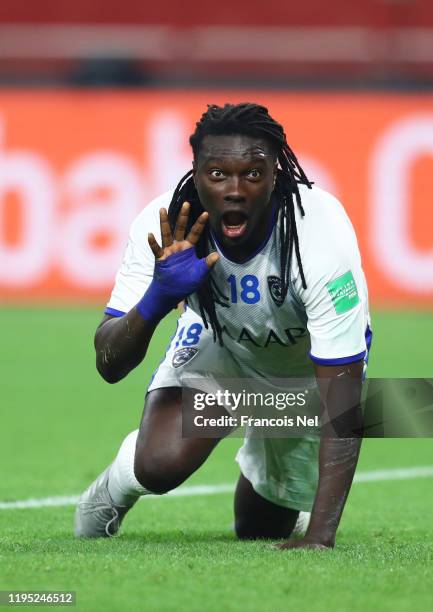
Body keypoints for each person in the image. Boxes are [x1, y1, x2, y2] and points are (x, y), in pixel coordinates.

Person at [74, 103, 371, 549]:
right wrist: (157, 298)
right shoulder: (166, 225)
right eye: (217, 175)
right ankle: (116, 484)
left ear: (278, 173)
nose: (235, 190)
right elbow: (108, 364)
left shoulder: (320, 241)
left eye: (253, 174)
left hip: (301, 374)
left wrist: (320, 536)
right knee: (160, 463)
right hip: (222, 344)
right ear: (194, 172)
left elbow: (342, 406)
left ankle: (269, 436)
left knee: (257, 528)